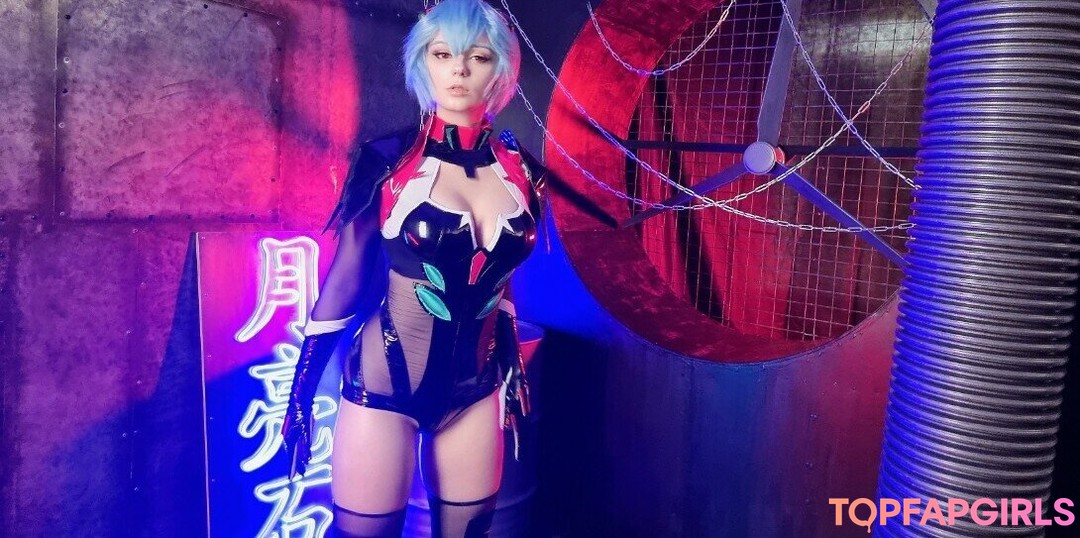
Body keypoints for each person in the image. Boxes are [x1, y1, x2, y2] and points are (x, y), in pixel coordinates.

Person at [280, 0, 544, 536]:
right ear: (423, 61)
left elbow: (501, 279)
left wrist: (512, 361)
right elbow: (346, 280)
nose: (459, 70)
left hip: (475, 391)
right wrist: (301, 392)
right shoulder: (388, 159)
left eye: (478, 57)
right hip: (382, 391)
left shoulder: (523, 171)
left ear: (500, 68)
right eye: (442, 54)